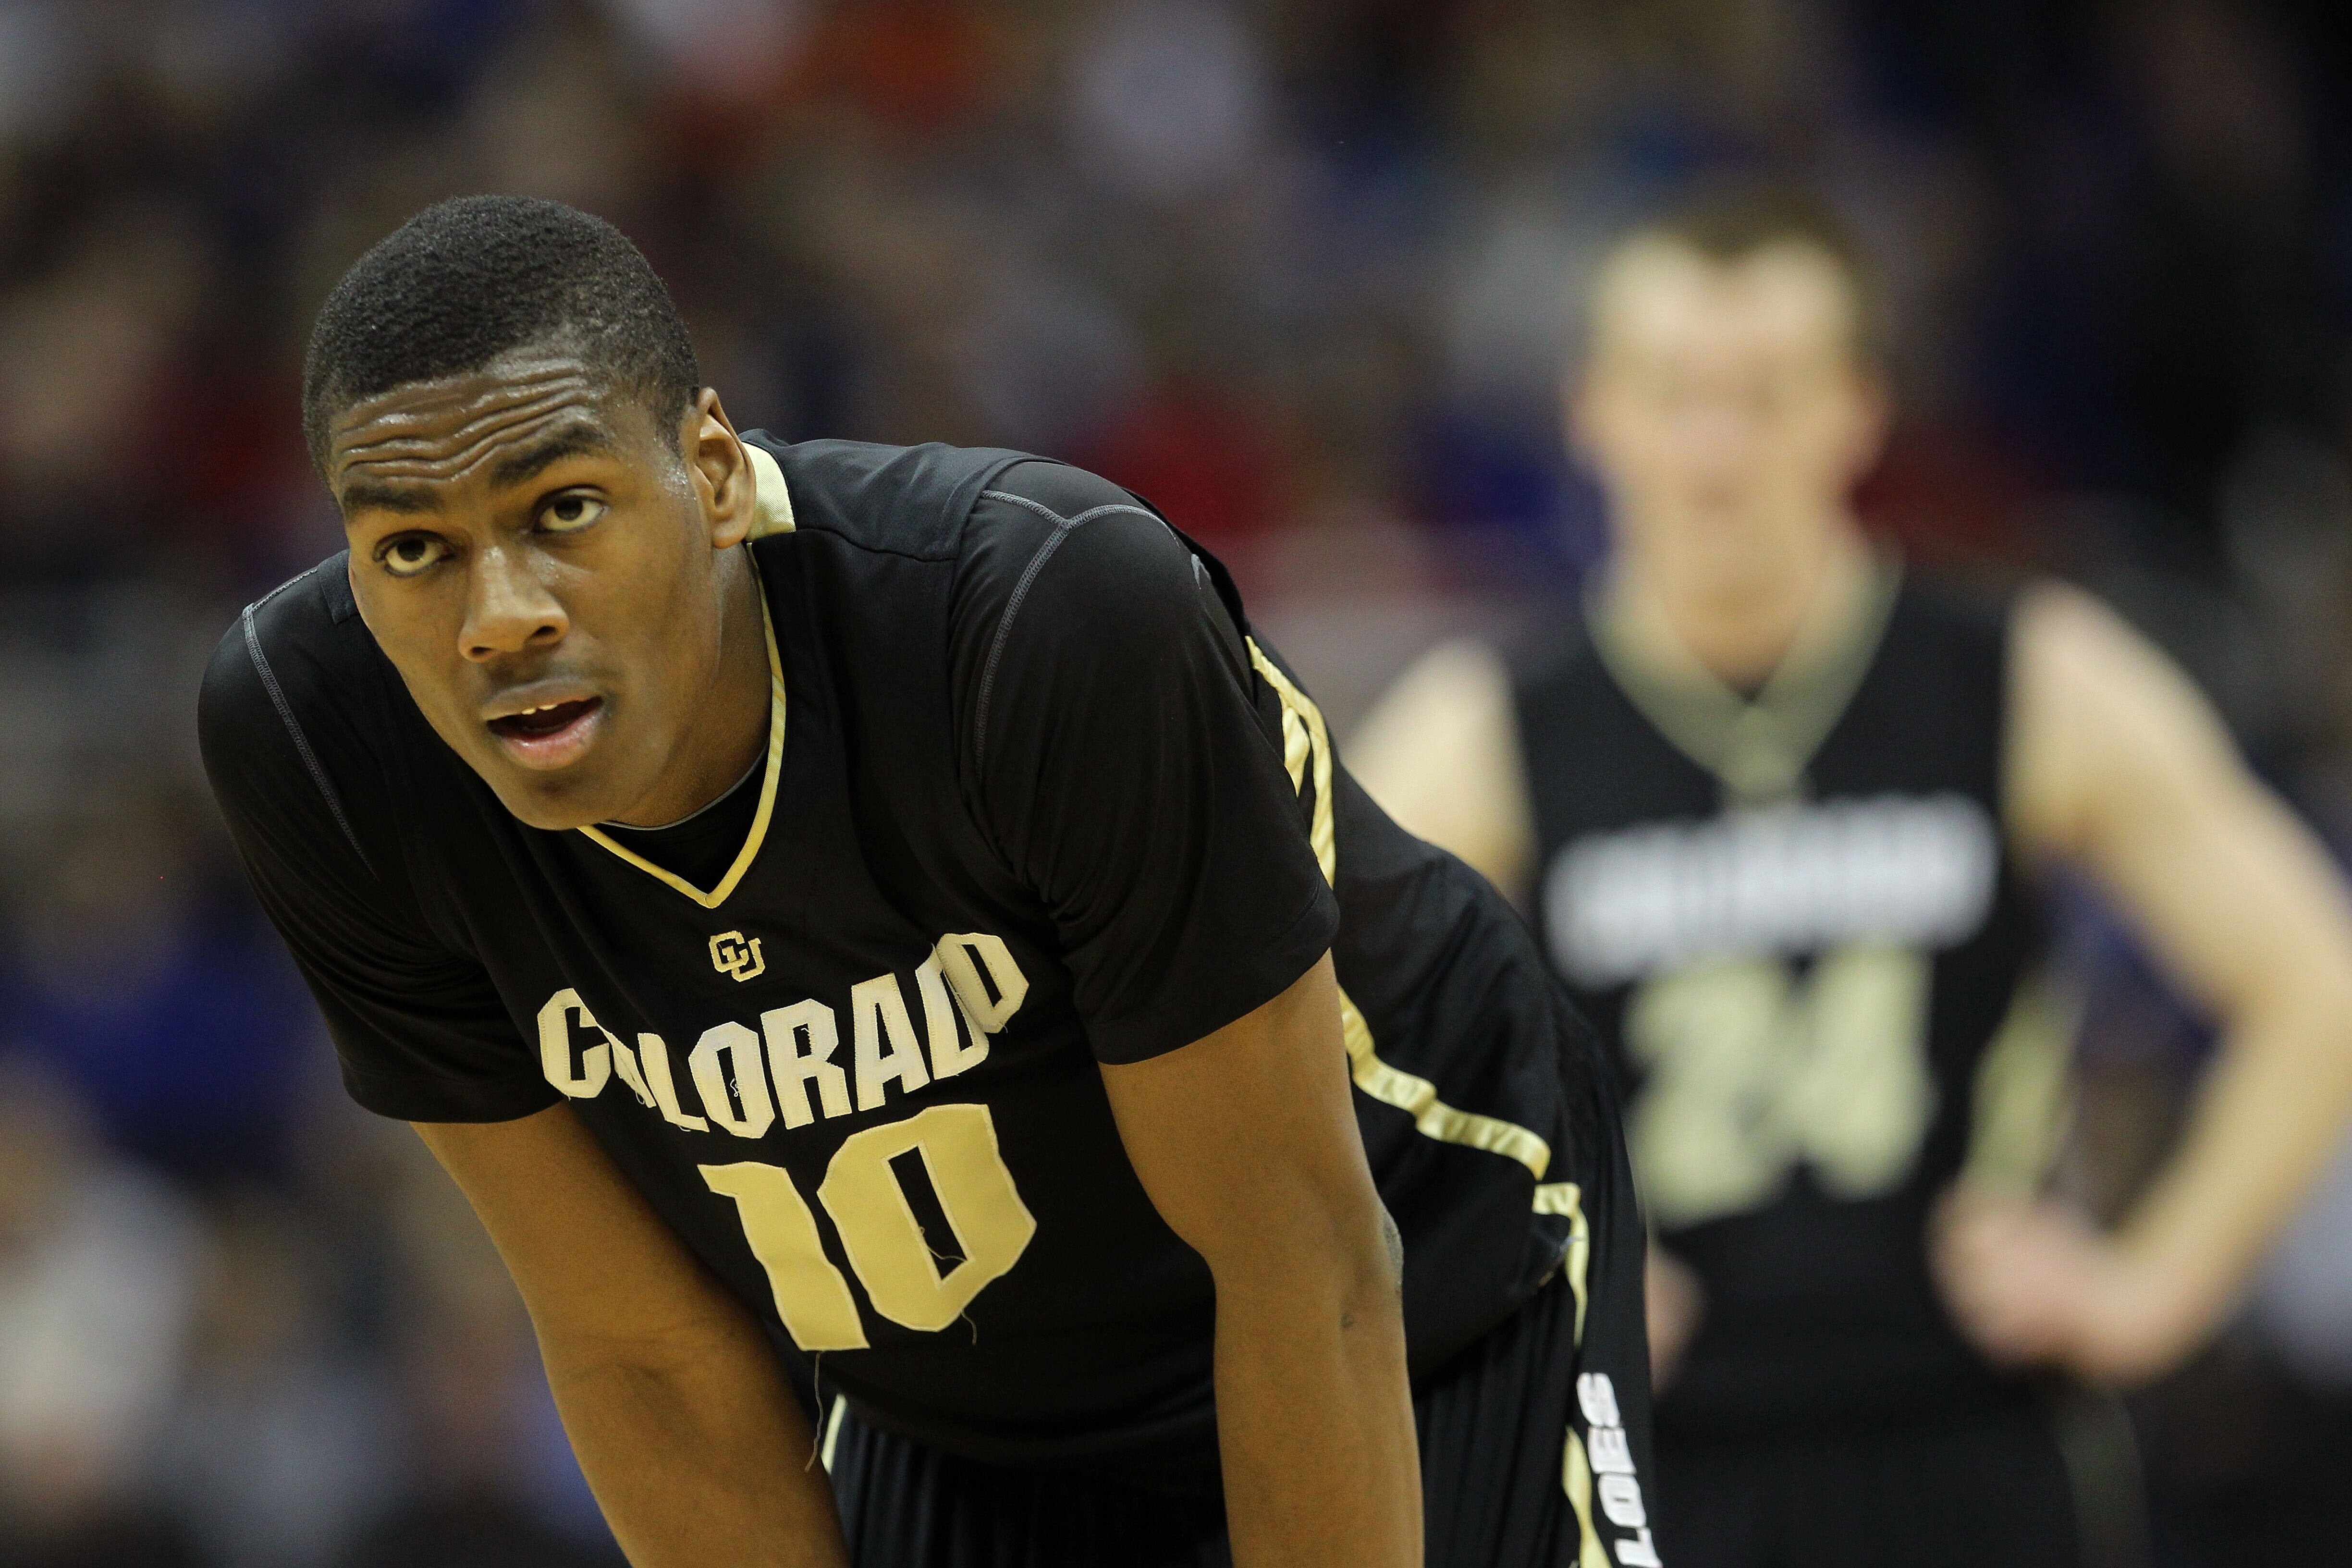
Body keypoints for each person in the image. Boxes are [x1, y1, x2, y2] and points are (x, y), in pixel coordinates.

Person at [197, 195, 1655, 1568]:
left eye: (565, 509)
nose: (500, 617)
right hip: (964, 1400)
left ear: (709, 474)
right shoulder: (322, 743)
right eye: (412, 550)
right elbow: (643, 1347)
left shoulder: (1040, 616)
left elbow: (1302, 1265)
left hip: (1414, 1263)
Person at [1348, 188, 2352, 1568]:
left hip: (1973, 1420)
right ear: (1593, 411)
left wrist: (2155, 1289)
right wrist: (1506, 1280)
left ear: (1858, 409)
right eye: (1675, 391)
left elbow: (2316, 985)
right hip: (1653, 1443)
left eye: (1767, 392)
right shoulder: (1489, 730)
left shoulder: (2028, 674)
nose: (1719, 442)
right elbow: (1288, 1057)